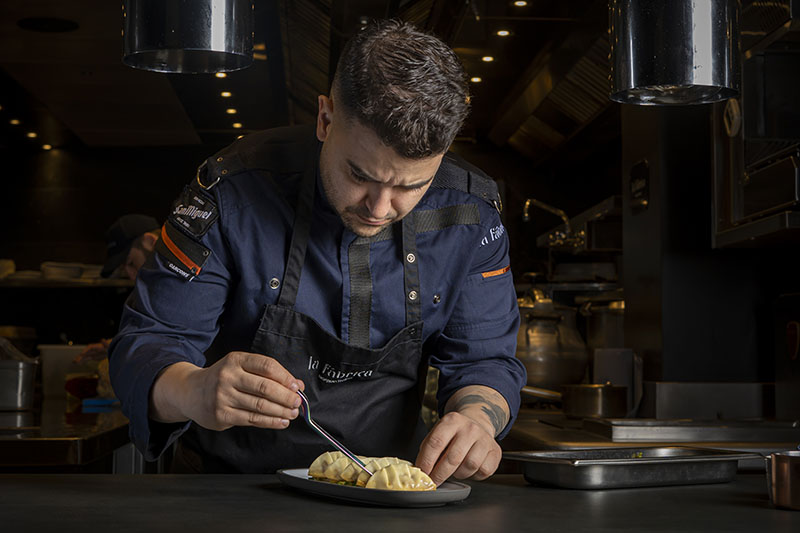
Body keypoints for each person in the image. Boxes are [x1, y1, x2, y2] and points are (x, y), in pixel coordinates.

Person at [109, 19, 526, 484]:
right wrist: (191, 389)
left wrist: (478, 418)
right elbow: (144, 344)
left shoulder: (471, 214)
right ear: (325, 119)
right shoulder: (230, 193)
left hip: (386, 493)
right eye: (360, 175)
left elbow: (484, 360)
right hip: (224, 489)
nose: (380, 208)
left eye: (412, 186)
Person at [75, 215, 161, 364]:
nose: (131, 276)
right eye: (124, 269)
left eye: (131, 263)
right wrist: (116, 346)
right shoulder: (155, 290)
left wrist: (123, 347)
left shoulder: (188, 278)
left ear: (150, 242)